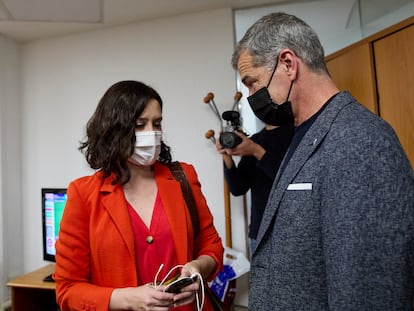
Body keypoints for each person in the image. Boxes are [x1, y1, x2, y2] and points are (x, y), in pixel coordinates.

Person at [231, 12, 414, 310]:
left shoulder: (360, 139)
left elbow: (368, 292)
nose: (252, 96)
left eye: (252, 83)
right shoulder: (303, 133)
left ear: (288, 64)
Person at [54, 80, 224, 311]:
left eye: (157, 123)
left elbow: (211, 245)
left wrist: (198, 267)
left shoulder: (184, 177)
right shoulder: (83, 194)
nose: (151, 133)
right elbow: (68, 289)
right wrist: (129, 299)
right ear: (114, 129)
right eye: (139, 125)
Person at [216, 123, 293, 252]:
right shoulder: (256, 140)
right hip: (259, 231)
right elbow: (238, 188)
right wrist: (226, 156)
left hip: (289, 230)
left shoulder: (294, 133)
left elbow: (289, 179)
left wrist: (257, 151)